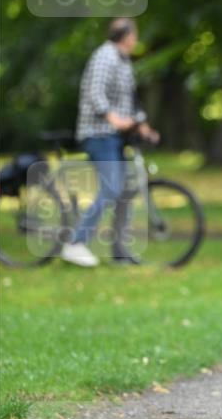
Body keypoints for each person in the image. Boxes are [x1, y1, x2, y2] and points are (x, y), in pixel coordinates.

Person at [60, 17, 159, 267]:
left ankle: (120, 249)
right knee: (111, 188)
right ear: (127, 35)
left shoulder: (123, 62)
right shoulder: (105, 55)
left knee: (125, 190)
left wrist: (143, 126)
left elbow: (129, 101)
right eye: (134, 34)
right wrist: (114, 119)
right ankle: (75, 243)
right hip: (98, 133)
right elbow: (95, 93)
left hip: (114, 135)